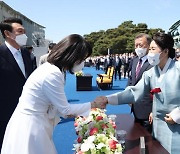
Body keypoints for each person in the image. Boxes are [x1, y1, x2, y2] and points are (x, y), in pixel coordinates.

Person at [1, 34, 107, 154]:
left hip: (33, 121)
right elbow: (65, 110)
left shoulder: (52, 69)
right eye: (82, 59)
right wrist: (93, 104)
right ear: (72, 56)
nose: (82, 63)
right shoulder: (53, 74)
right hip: (30, 126)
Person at [97, 32, 180, 154]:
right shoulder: (151, 73)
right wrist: (108, 99)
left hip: (176, 127)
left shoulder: (178, 69)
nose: (150, 52)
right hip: (157, 128)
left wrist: (178, 114)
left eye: (153, 49)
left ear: (166, 51)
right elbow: (134, 92)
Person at [0, 17, 33, 149]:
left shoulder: (27, 54)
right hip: (4, 112)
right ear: (7, 34)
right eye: (20, 31)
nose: (24, 35)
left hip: (26, 110)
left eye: (24, 31)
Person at [127, 33, 153, 132]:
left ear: (149, 46)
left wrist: (154, 110)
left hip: (148, 111)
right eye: (136, 45)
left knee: (148, 141)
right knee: (137, 135)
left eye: (141, 45)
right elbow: (131, 79)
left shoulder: (153, 62)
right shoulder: (135, 60)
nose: (138, 48)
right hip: (135, 108)